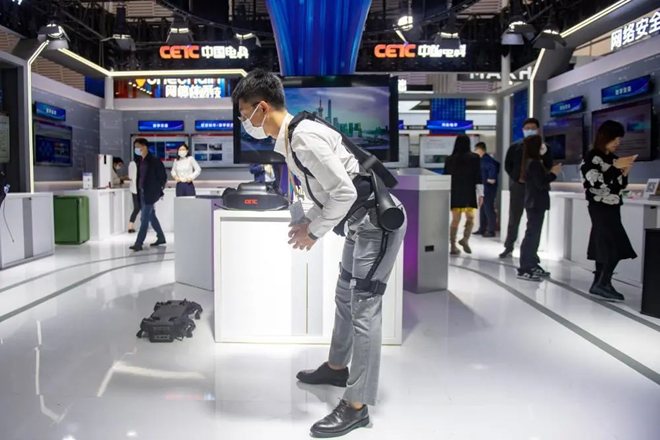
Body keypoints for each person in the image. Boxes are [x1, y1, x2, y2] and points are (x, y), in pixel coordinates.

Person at [232, 69, 407, 439]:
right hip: (358, 224)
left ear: (262, 108)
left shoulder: (303, 137)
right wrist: (307, 221)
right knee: (345, 297)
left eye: (244, 113)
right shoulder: (292, 138)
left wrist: (312, 231)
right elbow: (322, 192)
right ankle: (337, 368)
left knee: (364, 309)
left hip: (376, 224)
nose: (244, 122)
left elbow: (344, 192)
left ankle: (357, 406)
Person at [580, 120, 637, 301]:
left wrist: (624, 173)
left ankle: (599, 283)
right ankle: (603, 283)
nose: (617, 142)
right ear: (604, 137)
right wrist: (614, 169)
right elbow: (595, 182)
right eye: (614, 139)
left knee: (604, 244)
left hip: (613, 205)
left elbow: (619, 184)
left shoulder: (614, 159)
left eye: (619, 139)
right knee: (614, 244)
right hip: (599, 207)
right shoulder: (592, 157)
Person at [500, 117, 553, 258]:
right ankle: (509, 246)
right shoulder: (515, 147)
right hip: (519, 186)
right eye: (527, 128)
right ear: (523, 130)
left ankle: (532, 252)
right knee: (514, 217)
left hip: (536, 187)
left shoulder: (545, 148)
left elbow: (548, 165)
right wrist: (517, 178)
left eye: (533, 128)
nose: (530, 131)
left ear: (538, 130)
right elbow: (508, 165)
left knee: (534, 222)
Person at [517, 135, 562, 281]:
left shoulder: (532, 162)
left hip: (535, 202)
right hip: (535, 202)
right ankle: (525, 267)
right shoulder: (534, 163)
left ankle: (531, 264)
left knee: (534, 234)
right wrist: (553, 174)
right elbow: (541, 183)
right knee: (532, 234)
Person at [444, 134, 482, 255]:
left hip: (455, 192)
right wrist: (481, 194)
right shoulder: (475, 158)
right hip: (469, 191)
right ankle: (464, 239)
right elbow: (478, 176)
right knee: (470, 217)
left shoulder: (450, 159)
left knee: (455, 219)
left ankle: (453, 245)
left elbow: (446, 177)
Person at [130, 138, 167, 252]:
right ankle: (161, 237)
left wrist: (158, 190)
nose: (136, 149)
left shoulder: (155, 161)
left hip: (150, 193)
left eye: (137, 147)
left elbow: (163, 177)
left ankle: (138, 243)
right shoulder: (139, 161)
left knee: (144, 218)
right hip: (141, 192)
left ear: (144, 147)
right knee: (151, 216)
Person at [474, 142, 500, 238]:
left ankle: (491, 230)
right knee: (483, 207)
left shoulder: (486, 160)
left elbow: (492, 168)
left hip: (488, 188)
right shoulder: (484, 160)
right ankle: (482, 228)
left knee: (488, 208)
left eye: (476, 150)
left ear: (480, 150)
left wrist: (491, 178)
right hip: (485, 187)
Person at [127, 152, 141, 233]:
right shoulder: (133, 164)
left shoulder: (133, 164)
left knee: (138, 208)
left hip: (138, 189)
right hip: (136, 189)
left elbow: (130, 176)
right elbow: (131, 177)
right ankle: (130, 226)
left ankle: (131, 226)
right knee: (138, 208)